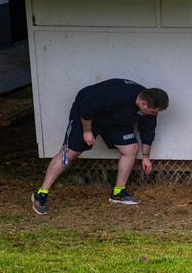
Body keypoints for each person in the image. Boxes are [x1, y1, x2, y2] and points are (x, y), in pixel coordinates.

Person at [31, 78, 169, 216]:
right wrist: (87, 131)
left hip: (113, 120)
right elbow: (86, 106)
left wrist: (146, 157)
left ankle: (118, 193)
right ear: (144, 104)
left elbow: (148, 131)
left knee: (131, 148)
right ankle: (41, 194)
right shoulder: (117, 94)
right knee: (70, 153)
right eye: (154, 112)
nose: (155, 114)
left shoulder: (148, 107)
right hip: (87, 116)